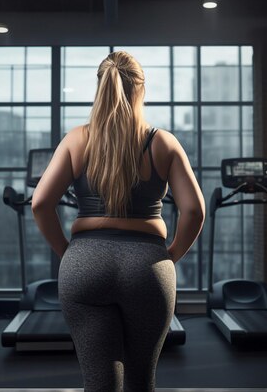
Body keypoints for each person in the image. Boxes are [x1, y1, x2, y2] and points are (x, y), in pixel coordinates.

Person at [31, 51, 205, 392]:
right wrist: (170, 257)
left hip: (84, 261)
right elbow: (195, 211)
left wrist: (67, 253)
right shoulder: (162, 142)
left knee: (100, 383)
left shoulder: (76, 139)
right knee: (141, 381)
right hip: (147, 264)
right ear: (140, 89)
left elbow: (40, 204)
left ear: (100, 87)